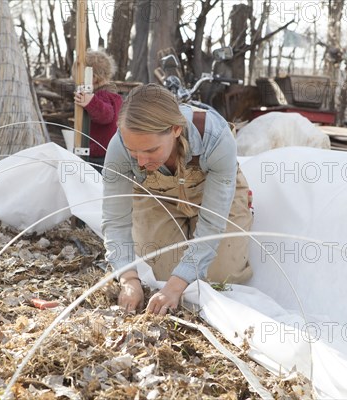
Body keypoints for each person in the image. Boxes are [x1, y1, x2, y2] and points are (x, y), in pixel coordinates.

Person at [102, 84, 253, 315]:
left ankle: (243, 209)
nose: (141, 162)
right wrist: (128, 278)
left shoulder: (215, 137)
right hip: (158, 197)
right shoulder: (119, 148)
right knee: (160, 273)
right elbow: (115, 220)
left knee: (221, 277)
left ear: (174, 129)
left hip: (210, 196)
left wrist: (175, 287)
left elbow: (212, 223)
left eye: (151, 150)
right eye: (134, 153)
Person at [73, 49, 122, 170]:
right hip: (111, 152)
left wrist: (91, 102)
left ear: (92, 78)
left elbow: (106, 115)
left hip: (100, 156)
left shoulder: (102, 96)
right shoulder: (114, 96)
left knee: (95, 184)